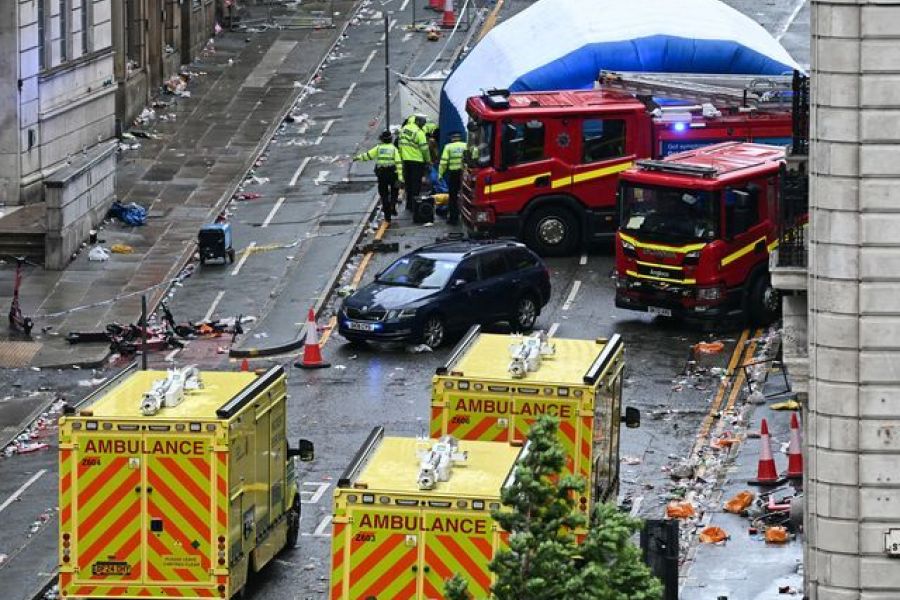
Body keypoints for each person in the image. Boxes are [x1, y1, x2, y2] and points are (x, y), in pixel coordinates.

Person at [353, 130, 403, 223]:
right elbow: (398, 163)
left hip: (382, 174)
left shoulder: (378, 148)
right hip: (393, 173)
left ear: (382, 139)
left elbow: (368, 156)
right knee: (394, 191)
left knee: (383, 194)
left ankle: (387, 216)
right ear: (391, 139)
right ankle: (392, 205)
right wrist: (400, 177)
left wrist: (357, 158)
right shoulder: (393, 149)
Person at [398, 114, 431, 212]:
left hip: (405, 160)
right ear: (418, 122)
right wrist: (428, 160)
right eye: (422, 124)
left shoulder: (405, 129)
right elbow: (424, 149)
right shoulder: (419, 132)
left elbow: (400, 142)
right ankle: (414, 206)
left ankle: (408, 204)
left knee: (408, 183)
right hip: (417, 161)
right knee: (416, 184)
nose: (423, 126)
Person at [438, 131, 467, 225]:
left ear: (452, 139)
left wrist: (440, 174)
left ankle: (453, 218)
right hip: (464, 174)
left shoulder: (448, 147)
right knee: (465, 195)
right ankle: (465, 216)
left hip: (453, 174)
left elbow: (443, 162)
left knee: (453, 196)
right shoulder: (465, 146)